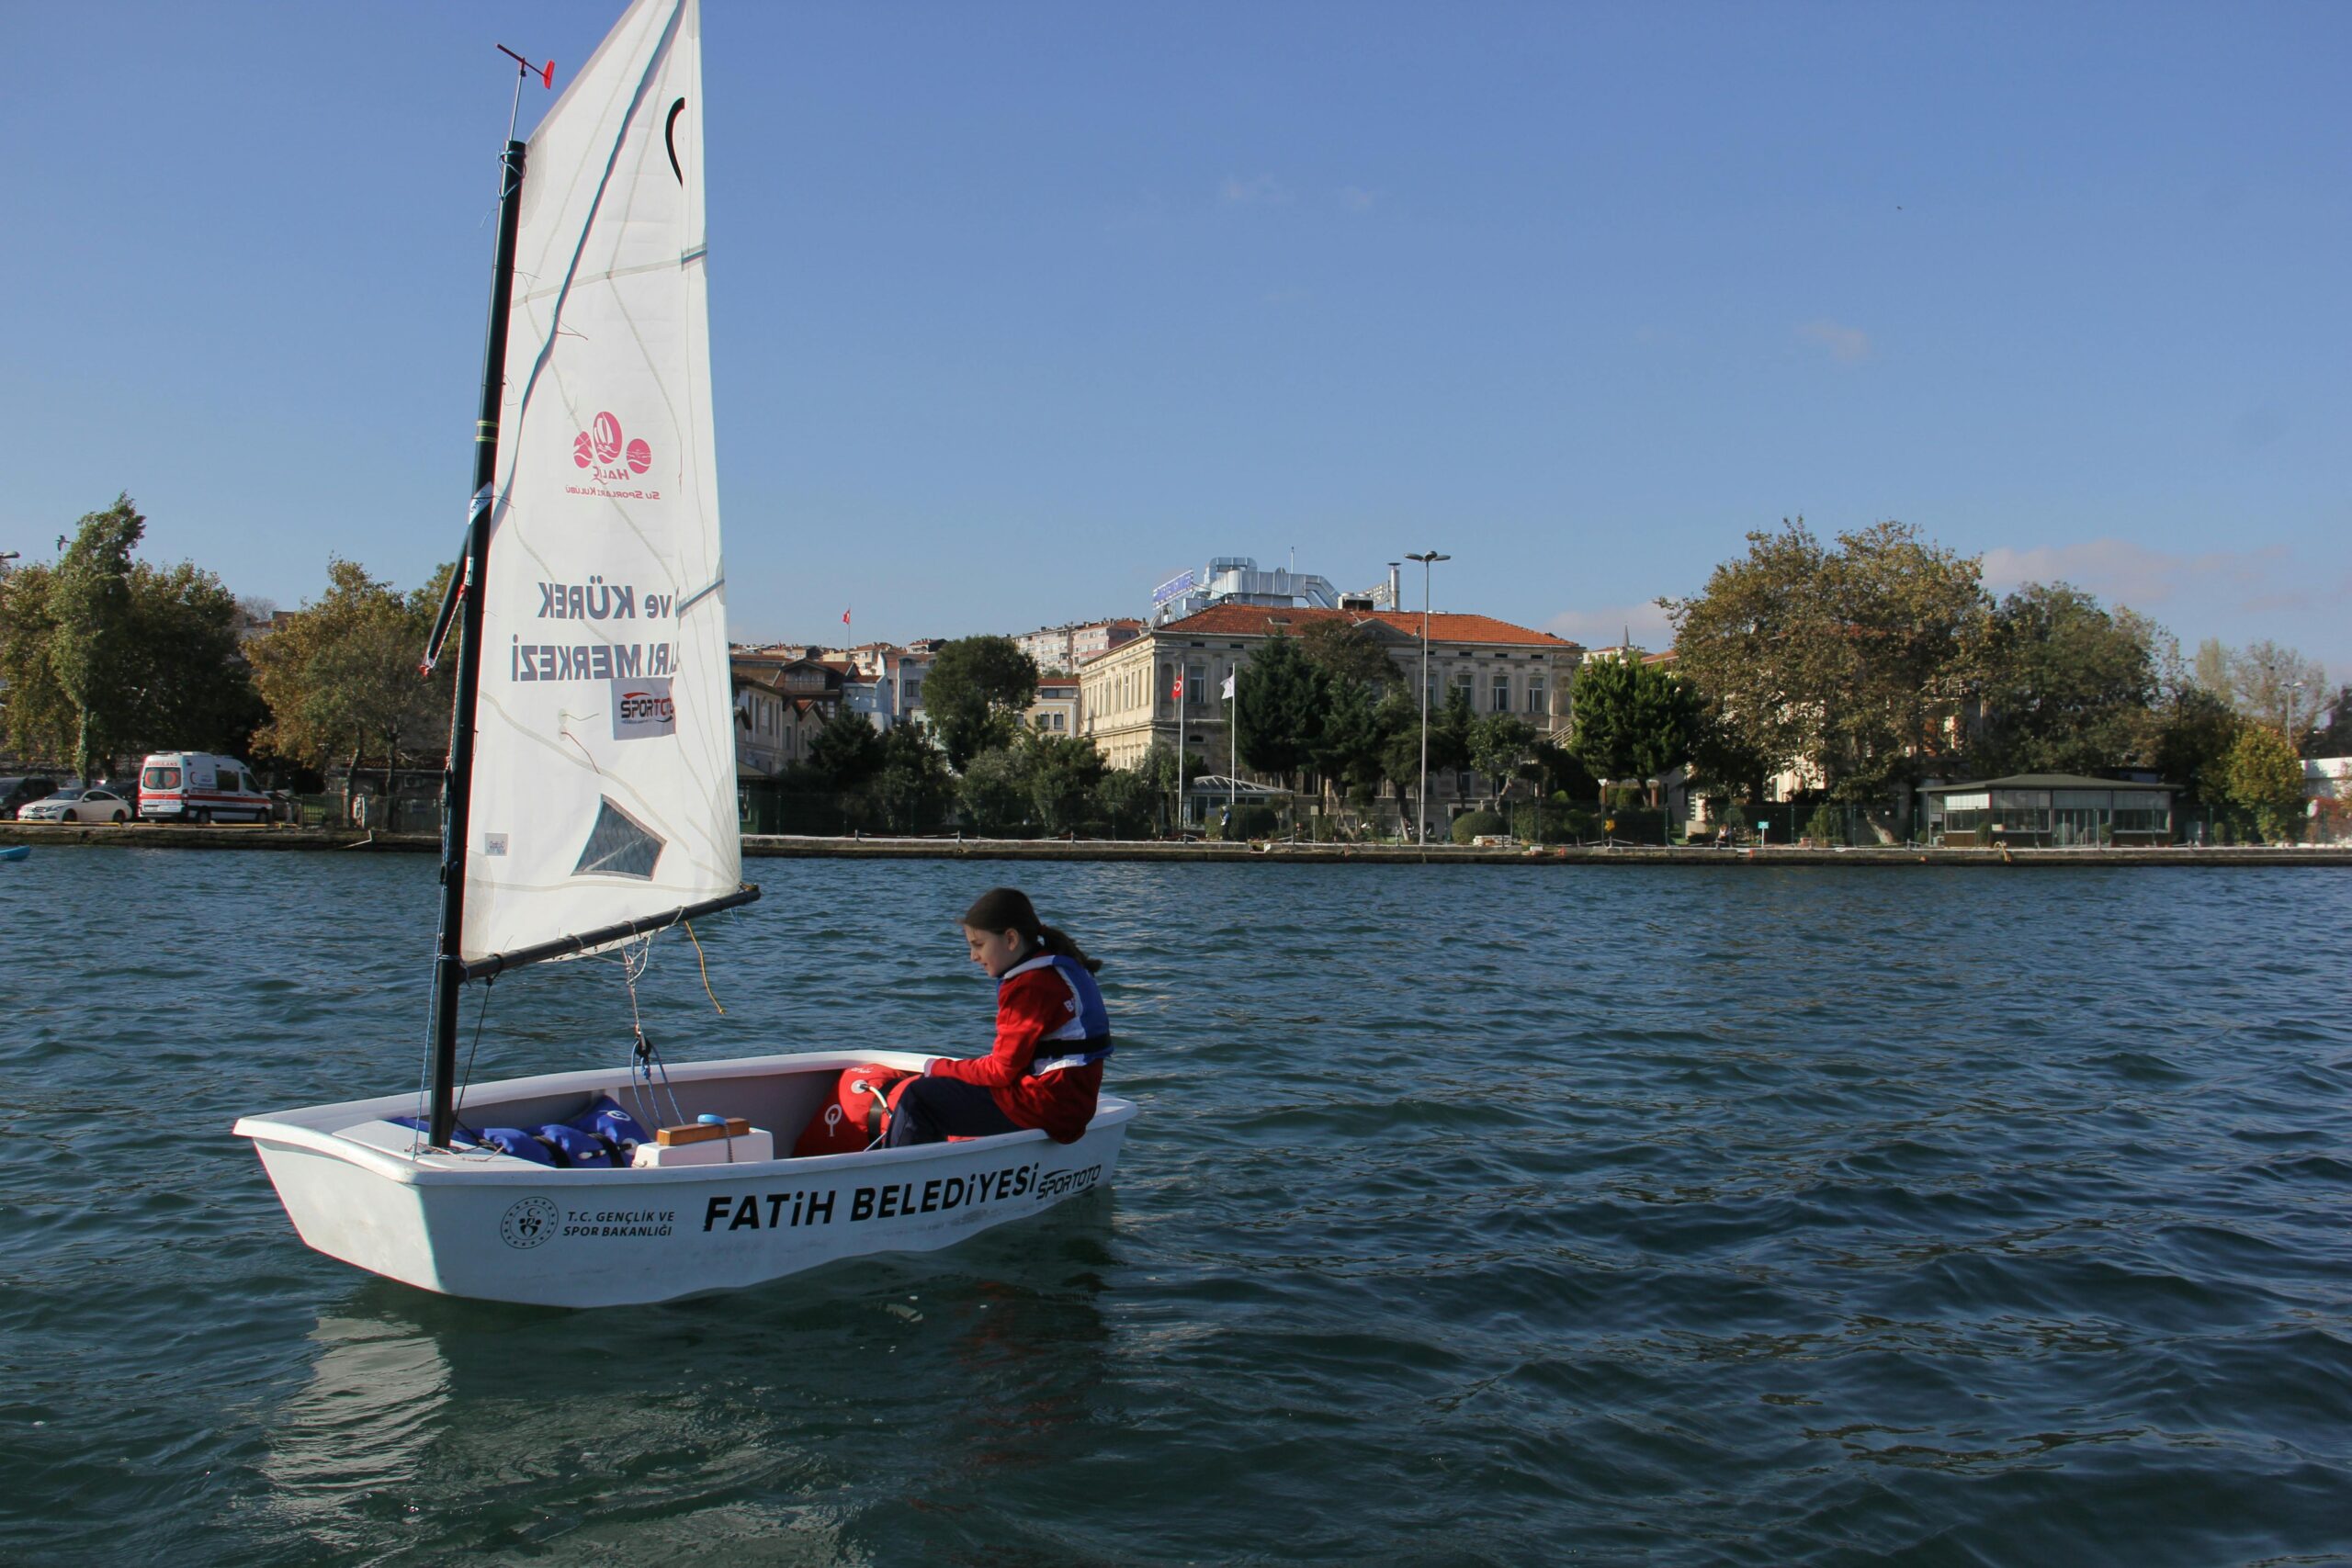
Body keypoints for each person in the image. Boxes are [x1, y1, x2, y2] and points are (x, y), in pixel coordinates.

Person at [884, 886, 1113, 1148]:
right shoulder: (1061, 967)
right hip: (1072, 1102)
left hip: (1047, 1104)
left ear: (1011, 939)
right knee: (941, 1089)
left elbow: (1000, 1072)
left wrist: (935, 1067)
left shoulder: (1030, 985)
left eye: (979, 945)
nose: (973, 957)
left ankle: (892, 1171)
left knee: (918, 1097)